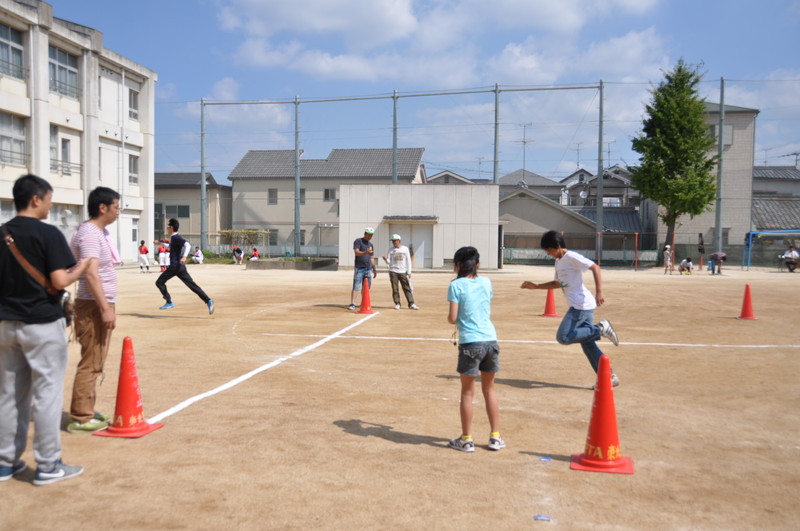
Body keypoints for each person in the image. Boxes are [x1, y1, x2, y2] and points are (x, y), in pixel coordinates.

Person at [0, 174, 91, 485]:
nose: (50, 207)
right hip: (41, 323)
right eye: (49, 201)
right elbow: (59, 280)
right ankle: (48, 464)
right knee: (47, 395)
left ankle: (5, 462)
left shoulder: (2, 233)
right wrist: (82, 267)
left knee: (9, 395)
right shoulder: (47, 233)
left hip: (6, 324)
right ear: (35, 199)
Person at [520, 230, 620, 387]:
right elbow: (557, 283)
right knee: (588, 344)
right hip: (581, 306)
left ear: (558, 246)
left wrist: (599, 291)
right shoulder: (558, 261)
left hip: (580, 306)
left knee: (563, 337)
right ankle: (609, 376)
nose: (548, 254)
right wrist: (536, 286)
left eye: (549, 250)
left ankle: (600, 329)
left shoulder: (572, 257)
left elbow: (595, 267)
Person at [68, 186, 121, 433]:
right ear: (103, 208)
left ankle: (86, 408)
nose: (118, 211)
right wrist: (104, 308)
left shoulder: (96, 232)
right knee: (91, 360)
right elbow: (90, 273)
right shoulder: (90, 233)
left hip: (97, 302)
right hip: (93, 303)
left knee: (96, 358)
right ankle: (81, 416)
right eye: (116, 207)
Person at [446, 246, 504, 452]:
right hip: (490, 340)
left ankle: (466, 439)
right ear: (477, 264)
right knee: (490, 390)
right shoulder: (486, 281)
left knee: (467, 393)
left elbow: (452, 317)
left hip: (470, 342)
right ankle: (495, 436)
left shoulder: (455, 285)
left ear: (458, 265)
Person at [155, 218, 214, 314]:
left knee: (159, 282)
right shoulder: (174, 238)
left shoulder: (176, 237)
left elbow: (188, 245)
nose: (167, 228)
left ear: (172, 228)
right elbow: (170, 246)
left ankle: (169, 302)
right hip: (180, 267)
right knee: (192, 285)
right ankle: (208, 300)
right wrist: (160, 242)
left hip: (174, 266)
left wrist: (184, 257)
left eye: (168, 226)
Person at [382, 234, 419, 310]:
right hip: (393, 271)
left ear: (399, 241)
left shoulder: (405, 249)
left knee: (406, 288)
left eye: (395, 241)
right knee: (395, 289)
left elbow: (408, 260)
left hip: (403, 271)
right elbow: (389, 262)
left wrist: (409, 271)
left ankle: (411, 303)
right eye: (392, 241)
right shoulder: (390, 250)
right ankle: (397, 303)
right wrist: (386, 260)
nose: (393, 242)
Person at [349, 227, 377, 310]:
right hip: (359, 268)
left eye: (371, 235)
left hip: (368, 268)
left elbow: (371, 257)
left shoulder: (371, 245)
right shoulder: (358, 241)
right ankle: (353, 303)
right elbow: (357, 252)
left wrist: (374, 268)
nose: (370, 236)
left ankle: (363, 303)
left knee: (366, 287)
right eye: (369, 235)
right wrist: (365, 252)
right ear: (365, 234)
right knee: (356, 286)